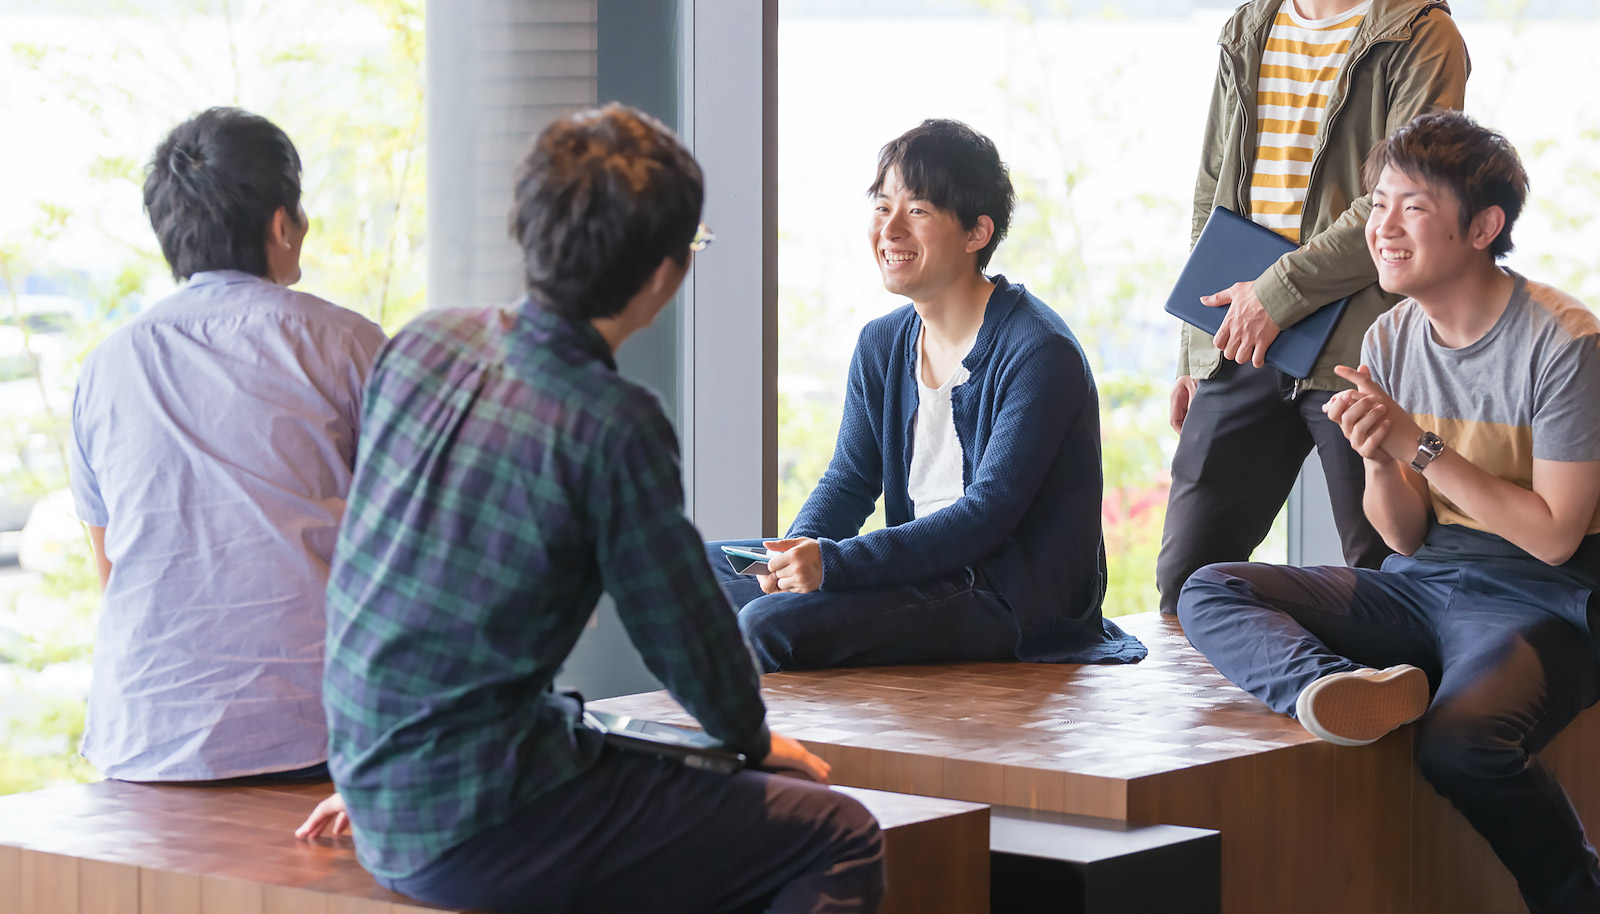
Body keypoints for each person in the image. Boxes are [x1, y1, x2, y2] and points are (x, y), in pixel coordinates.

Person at [297, 104, 884, 914]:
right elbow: (685, 635)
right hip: (482, 820)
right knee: (839, 833)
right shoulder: (611, 420)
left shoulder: (424, 344)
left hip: (373, 783)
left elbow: (378, 581)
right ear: (662, 276)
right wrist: (752, 742)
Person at [1178, 111, 1600, 913]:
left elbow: (1554, 536)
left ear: (1483, 226)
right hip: (1427, 574)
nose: (1384, 227)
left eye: (1411, 205)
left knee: (1462, 745)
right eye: (1376, 205)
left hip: (1545, 594)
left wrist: (1422, 447)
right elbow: (1402, 534)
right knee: (1209, 587)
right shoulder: (1390, 338)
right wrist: (1380, 458)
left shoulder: (1566, 341)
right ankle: (1336, 688)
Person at [705, 119, 1144, 673]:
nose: (890, 229)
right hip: (920, 573)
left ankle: (767, 750)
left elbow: (986, 516)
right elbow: (848, 480)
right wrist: (793, 556)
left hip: (1007, 595)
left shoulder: (1040, 351)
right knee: (699, 573)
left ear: (976, 233)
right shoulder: (883, 343)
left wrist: (833, 565)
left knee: (767, 624)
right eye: (882, 206)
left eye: (917, 211)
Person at [67, 107, 385, 781]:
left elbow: (112, 567)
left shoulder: (106, 365)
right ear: (281, 225)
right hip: (316, 740)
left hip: (145, 739)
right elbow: (415, 545)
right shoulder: (347, 345)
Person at [1158, 0, 1470, 614]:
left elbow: (1405, 201)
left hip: (1362, 346)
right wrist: (1197, 348)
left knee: (1388, 576)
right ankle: (1277, 694)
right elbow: (1213, 190)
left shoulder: (1421, 33)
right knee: (1185, 582)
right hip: (1240, 335)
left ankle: (1377, 706)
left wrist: (1275, 296)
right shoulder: (1248, 27)